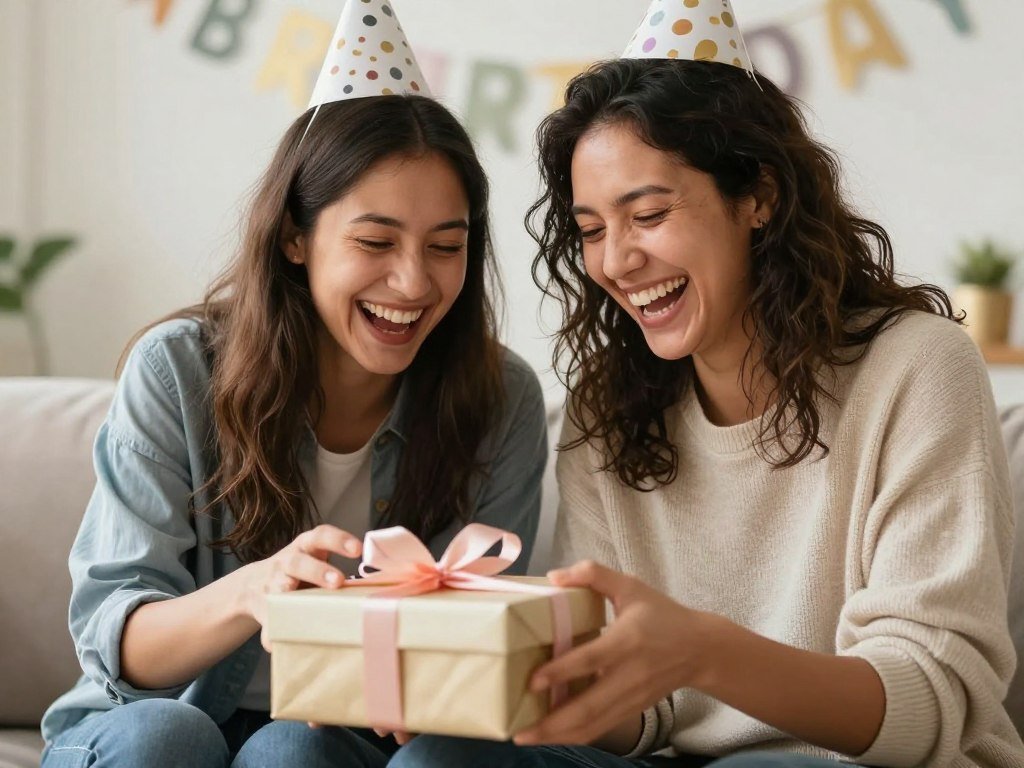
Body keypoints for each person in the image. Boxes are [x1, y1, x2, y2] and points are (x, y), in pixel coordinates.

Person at [388, 2, 1023, 767]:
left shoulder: (917, 368)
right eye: (591, 231)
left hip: (857, 763)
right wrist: (545, 690)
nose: (617, 261)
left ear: (759, 196)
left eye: (647, 213)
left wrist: (702, 653)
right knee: (440, 758)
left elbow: (932, 704)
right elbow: (647, 718)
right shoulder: (605, 412)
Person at [39, 5, 546, 767]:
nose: (413, 282)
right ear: (295, 237)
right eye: (375, 241)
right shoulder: (176, 370)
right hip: (157, 719)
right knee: (168, 736)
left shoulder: (499, 399)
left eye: (447, 246)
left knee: (293, 752)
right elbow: (123, 642)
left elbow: (474, 648)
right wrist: (253, 591)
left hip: (341, 742)